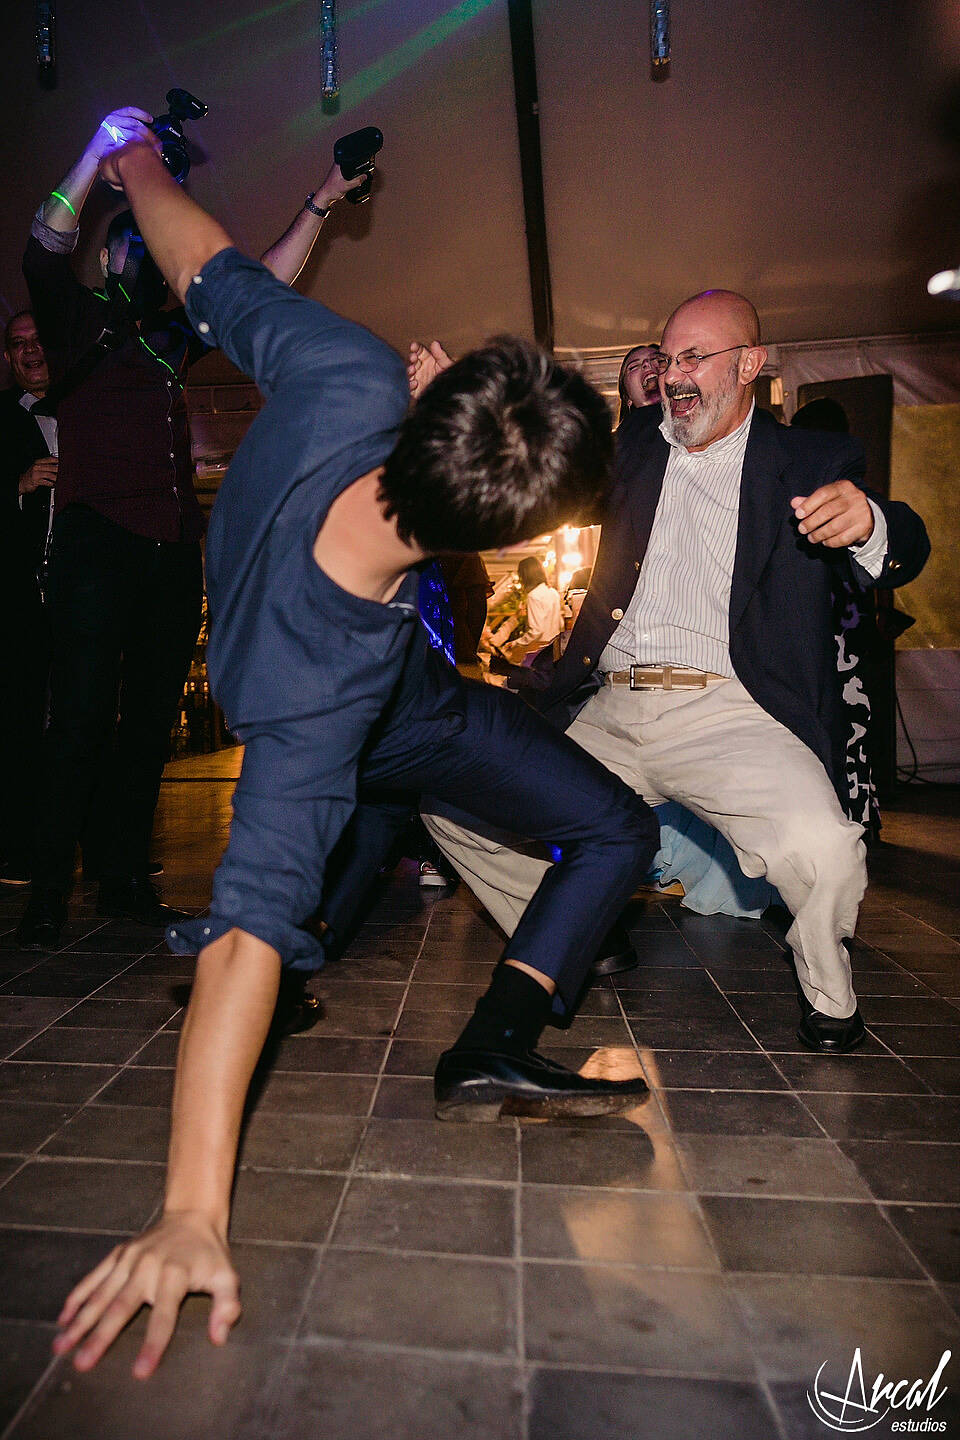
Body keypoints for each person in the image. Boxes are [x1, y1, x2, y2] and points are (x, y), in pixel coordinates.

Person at [53, 131, 658, 1378]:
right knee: (316, 925)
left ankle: (492, 1041)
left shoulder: (345, 375)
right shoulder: (309, 701)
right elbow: (236, 937)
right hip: (380, 720)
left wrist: (136, 163)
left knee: (541, 837)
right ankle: (459, 985)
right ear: (497, 536)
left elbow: (201, 261)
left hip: (400, 698)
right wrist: (187, 1213)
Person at [426, 289, 930, 1053]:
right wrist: (457, 408)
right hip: (613, 708)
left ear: (751, 365)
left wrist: (869, 524)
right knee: (451, 796)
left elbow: (907, 543)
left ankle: (831, 998)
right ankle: (580, 928)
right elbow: (529, 482)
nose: (675, 376)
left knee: (827, 849)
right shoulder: (629, 450)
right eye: (668, 359)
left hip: (733, 713)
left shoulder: (805, 459)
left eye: (697, 357)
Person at [16, 106, 365, 949]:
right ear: (109, 252)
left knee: (146, 728)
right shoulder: (72, 316)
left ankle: (126, 880)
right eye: (134, 239)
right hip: (95, 544)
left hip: (172, 549)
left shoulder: (172, 333)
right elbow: (45, 240)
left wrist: (324, 196)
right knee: (84, 719)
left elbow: (261, 288)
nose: (149, 250)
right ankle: (46, 893)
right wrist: (96, 147)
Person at [0, 312, 56, 885]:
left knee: (86, 720)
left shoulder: (90, 404)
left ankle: (103, 850)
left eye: (38, 340)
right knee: (18, 721)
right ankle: (16, 849)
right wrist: (17, 486)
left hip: (87, 590)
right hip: (18, 598)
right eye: (18, 345)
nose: (30, 352)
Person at [617, 342, 662, 423]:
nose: (646, 363)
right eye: (634, 366)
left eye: (657, 360)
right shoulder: (624, 434)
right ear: (627, 398)